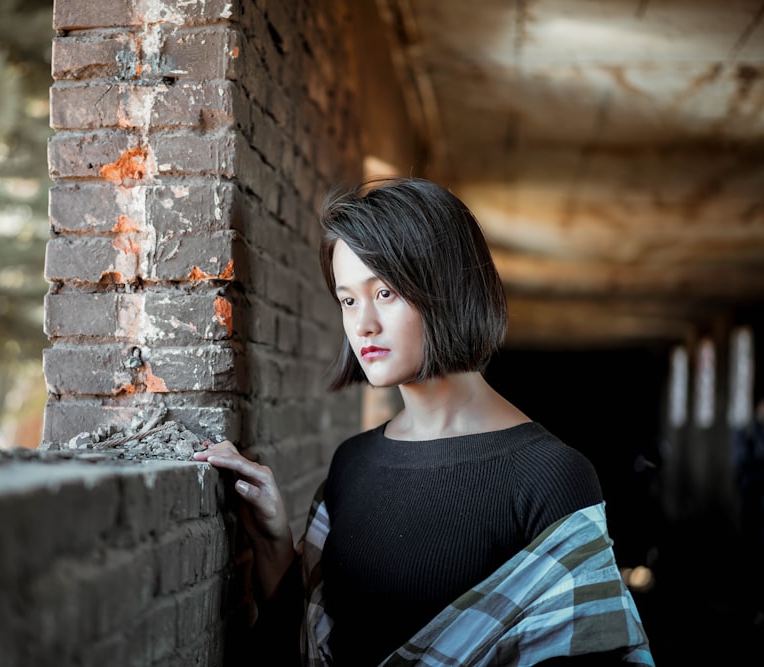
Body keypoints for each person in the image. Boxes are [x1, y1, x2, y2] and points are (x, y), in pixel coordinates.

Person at [193, 178, 654, 666]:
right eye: (348, 300)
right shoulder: (351, 464)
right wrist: (273, 543)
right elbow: (312, 645)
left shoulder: (552, 477)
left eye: (385, 292)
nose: (363, 324)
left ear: (447, 288)